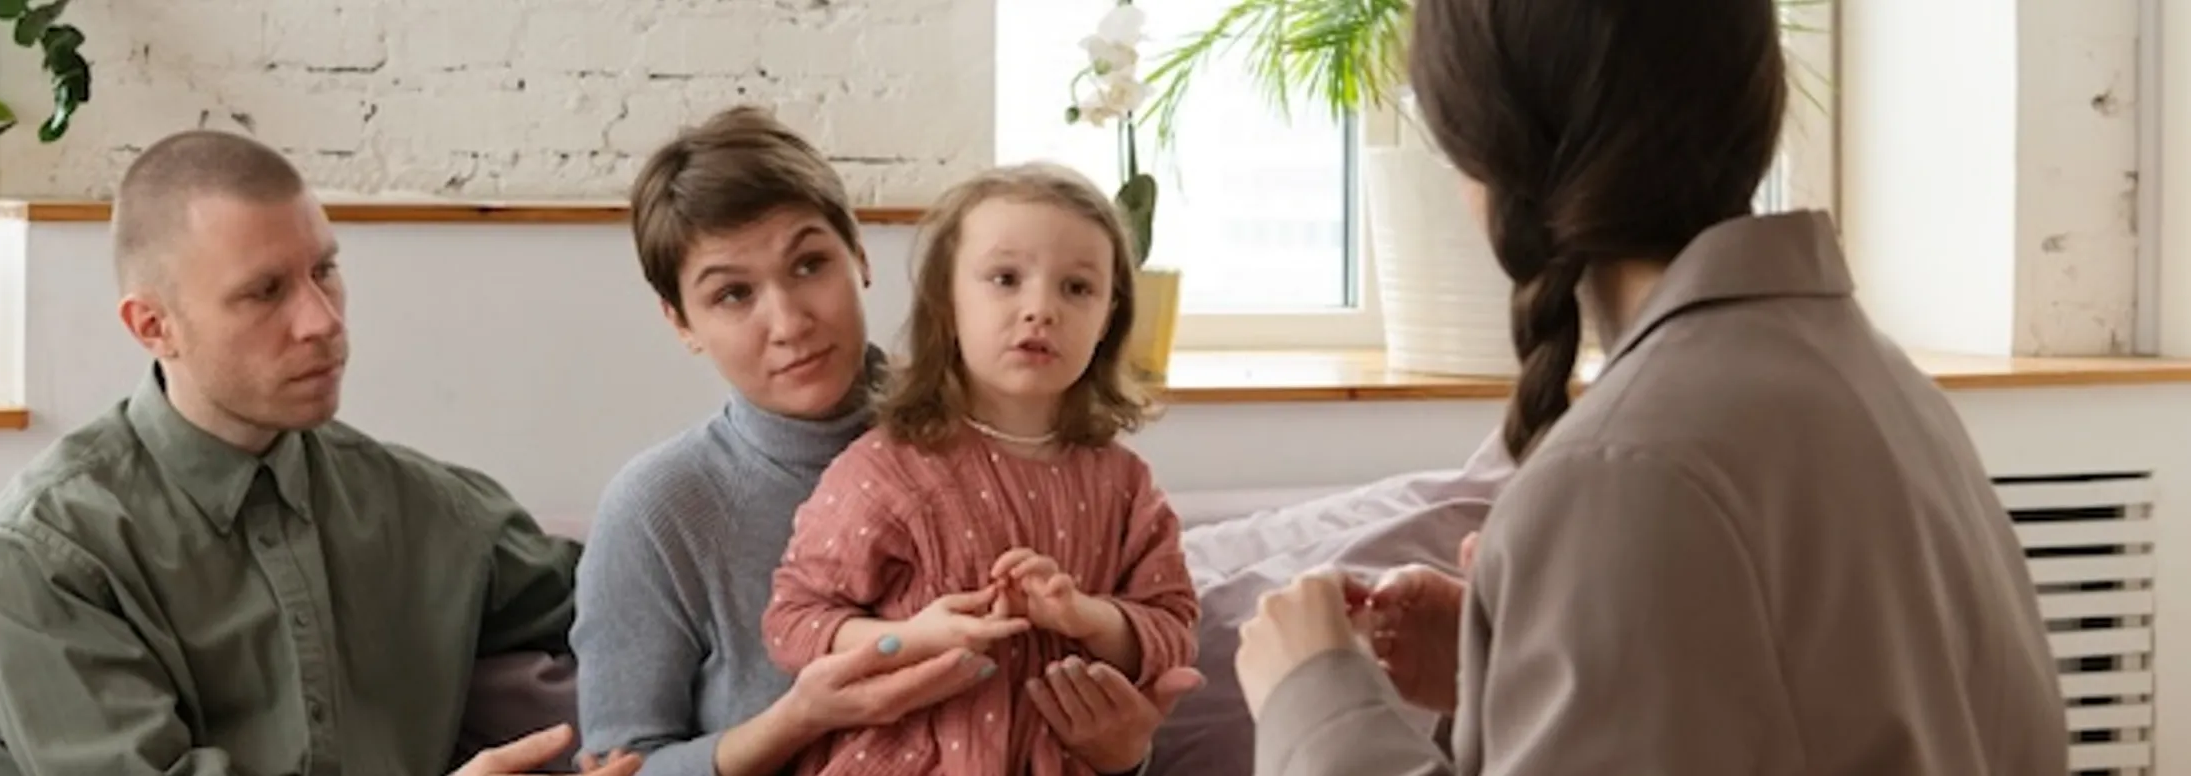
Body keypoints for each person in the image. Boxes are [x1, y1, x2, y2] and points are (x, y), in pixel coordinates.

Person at [1230, 0, 2073, 772]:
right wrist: (1510, 663)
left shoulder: (1627, 469)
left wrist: (1316, 700)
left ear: (1487, 149)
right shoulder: (1885, 387)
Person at [0, 129, 631, 776]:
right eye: (265, 291)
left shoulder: (424, 509)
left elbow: (636, 598)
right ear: (154, 326)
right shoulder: (44, 554)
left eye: (325, 271)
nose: (323, 321)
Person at [570, 106, 1199, 776]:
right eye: (732, 294)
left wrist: (1124, 757)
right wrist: (796, 719)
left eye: (811, 264)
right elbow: (617, 766)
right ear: (681, 322)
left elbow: (1100, 672)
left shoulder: (1016, 428)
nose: (789, 322)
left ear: (860, 257)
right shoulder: (659, 505)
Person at [761, 162, 1201, 775]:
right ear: (947, 302)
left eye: (1077, 288)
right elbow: (794, 621)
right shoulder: (885, 472)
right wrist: (912, 638)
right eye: (1005, 278)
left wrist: (1088, 617)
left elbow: (1172, 626)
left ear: (1109, 319)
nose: (1040, 309)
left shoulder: (1126, 487)